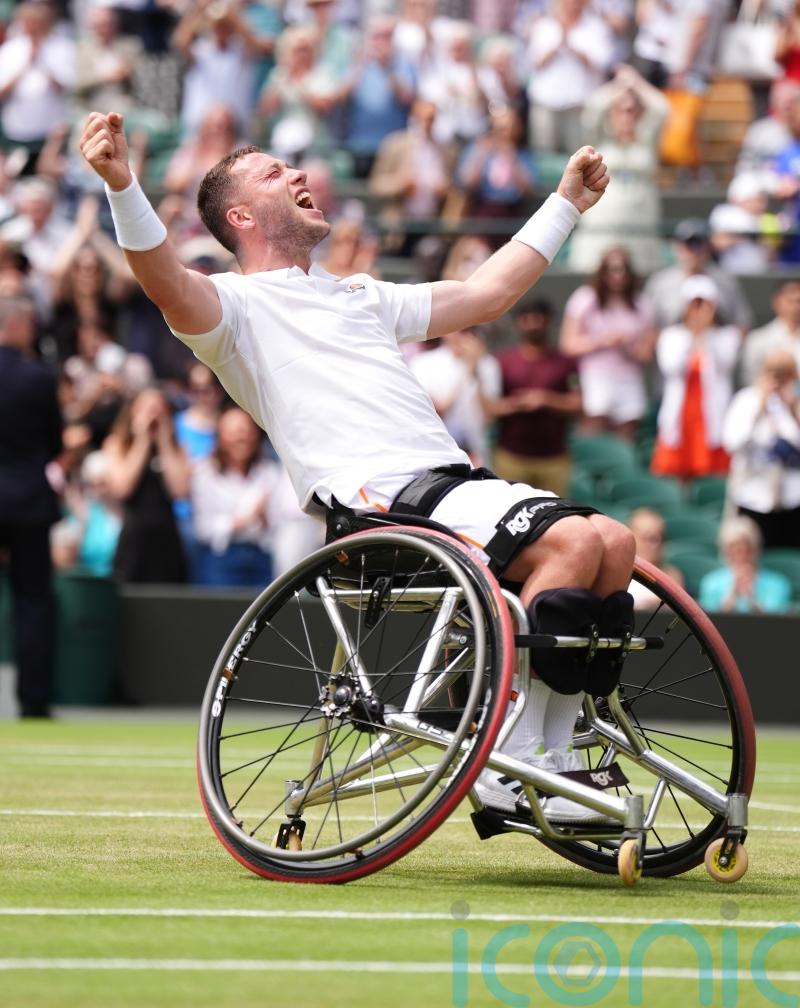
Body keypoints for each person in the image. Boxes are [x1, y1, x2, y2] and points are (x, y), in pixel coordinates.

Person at [79, 109, 635, 826]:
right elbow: (161, 278)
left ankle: (548, 759)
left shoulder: (360, 294)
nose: (298, 173)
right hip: (379, 503)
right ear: (241, 216)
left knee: (615, 542)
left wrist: (564, 205)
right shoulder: (232, 309)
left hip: (452, 486)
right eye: (274, 173)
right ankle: (518, 765)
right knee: (575, 542)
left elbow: (486, 295)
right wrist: (122, 184)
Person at [0, 294, 62, 718]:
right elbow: (53, 443)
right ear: (18, 325)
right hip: (27, 503)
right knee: (33, 603)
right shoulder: (38, 377)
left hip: (21, 501)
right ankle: (33, 701)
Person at [560, 246, 656, 441]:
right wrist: (603, 341)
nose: (618, 276)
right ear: (603, 272)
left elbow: (646, 353)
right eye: (613, 269)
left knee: (627, 432)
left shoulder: (641, 303)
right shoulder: (585, 298)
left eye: (623, 270)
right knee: (595, 426)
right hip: (596, 375)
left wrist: (626, 347)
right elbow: (568, 344)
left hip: (629, 377)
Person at [651, 274, 739, 481]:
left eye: (704, 305)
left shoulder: (727, 336)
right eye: (694, 305)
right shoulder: (671, 336)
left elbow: (723, 364)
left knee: (714, 473)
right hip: (681, 416)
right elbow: (672, 367)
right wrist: (693, 335)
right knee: (677, 474)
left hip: (713, 414)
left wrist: (705, 333)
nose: (698, 311)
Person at [491, 300, 581, 499]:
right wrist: (519, 403)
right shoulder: (503, 361)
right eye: (527, 319)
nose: (533, 324)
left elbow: (577, 404)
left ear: (548, 321)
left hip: (554, 458)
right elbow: (490, 408)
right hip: (512, 456)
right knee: (510, 510)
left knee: (555, 512)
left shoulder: (565, 363)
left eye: (538, 318)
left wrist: (546, 400)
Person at [103, 387, 189, 584]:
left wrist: (164, 443)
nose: (153, 414)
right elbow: (122, 488)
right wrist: (142, 441)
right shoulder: (117, 444)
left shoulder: (178, 447)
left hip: (167, 538)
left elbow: (180, 491)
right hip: (133, 538)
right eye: (146, 408)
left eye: (159, 409)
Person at [191, 407, 279, 586]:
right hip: (220, 560)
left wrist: (262, 519)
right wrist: (245, 519)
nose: (241, 438)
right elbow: (203, 528)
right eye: (234, 432)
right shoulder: (204, 473)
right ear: (220, 437)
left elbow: (277, 524)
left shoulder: (269, 473)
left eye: (246, 431)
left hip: (260, 558)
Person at [723, 349, 800, 549]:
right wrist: (760, 408)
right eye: (773, 372)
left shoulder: (794, 402)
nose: (778, 380)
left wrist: (793, 411)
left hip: (792, 500)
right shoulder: (746, 400)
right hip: (753, 497)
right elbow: (732, 443)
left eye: (785, 374)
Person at [643, 218, 753, 333]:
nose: (692, 250)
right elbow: (649, 329)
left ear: (708, 247)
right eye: (687, 244)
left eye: (697, 243)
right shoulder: (659, 283)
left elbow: (743, 324)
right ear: (676, 246)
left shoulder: (726, 281)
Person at [698, 515, 791, 614]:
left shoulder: (777, 584)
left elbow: (775, 620)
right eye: (734, 550)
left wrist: (752, 597)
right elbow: (707, 620)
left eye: (747, 548)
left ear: (756, 549)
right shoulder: (711, 583)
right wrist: (732, 595)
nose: (741, 556)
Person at [740, 280, 800, 387]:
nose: (796, 307)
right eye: (791, 301)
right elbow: (750, 381)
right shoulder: (757, 339)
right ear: (777, 302)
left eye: (799, 301)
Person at [626, 507, 684, 609]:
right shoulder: (619, 575)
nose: (657, 544)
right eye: (650, 537)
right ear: (632, 538)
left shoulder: (673, 577)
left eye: (661, 537)